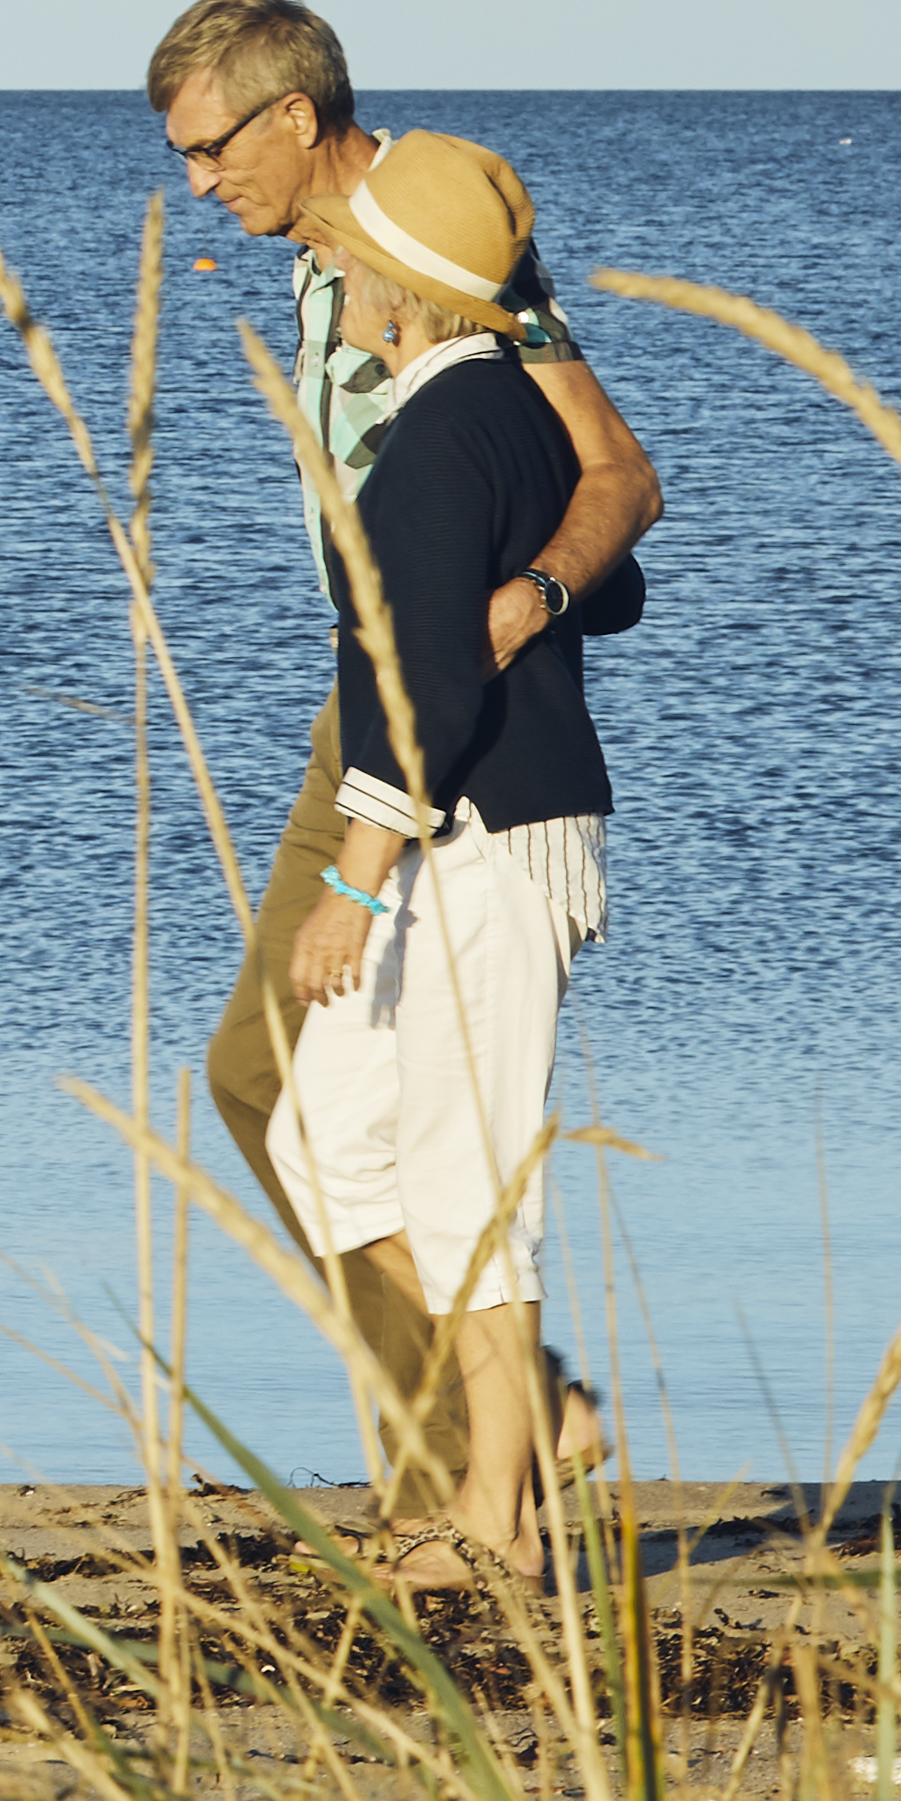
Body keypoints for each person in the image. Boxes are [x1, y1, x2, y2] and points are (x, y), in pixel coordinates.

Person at [145, 0, 658, 1509]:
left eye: (210, 147)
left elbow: (617, 475)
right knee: (265, 1084)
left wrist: (528, 602)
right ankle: (511, 1418)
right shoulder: (317, 275)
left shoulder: (443, 244)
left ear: (296, 116)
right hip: (364, 698)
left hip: (457, 709)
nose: (197, 182)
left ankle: (465, 1475)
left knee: (391, 1107)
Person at [270, 132, 620, 1580]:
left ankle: (499, 1521)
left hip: (483, 834)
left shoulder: (432, 440)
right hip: (465, 825)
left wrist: (352, 881)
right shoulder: (499, 417)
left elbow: (428, 686)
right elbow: (621, 579)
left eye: (355, 259)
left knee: (468, 1178)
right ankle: (535, 1419)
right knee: (324, 1136)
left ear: (403, 291)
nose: (334, 271)